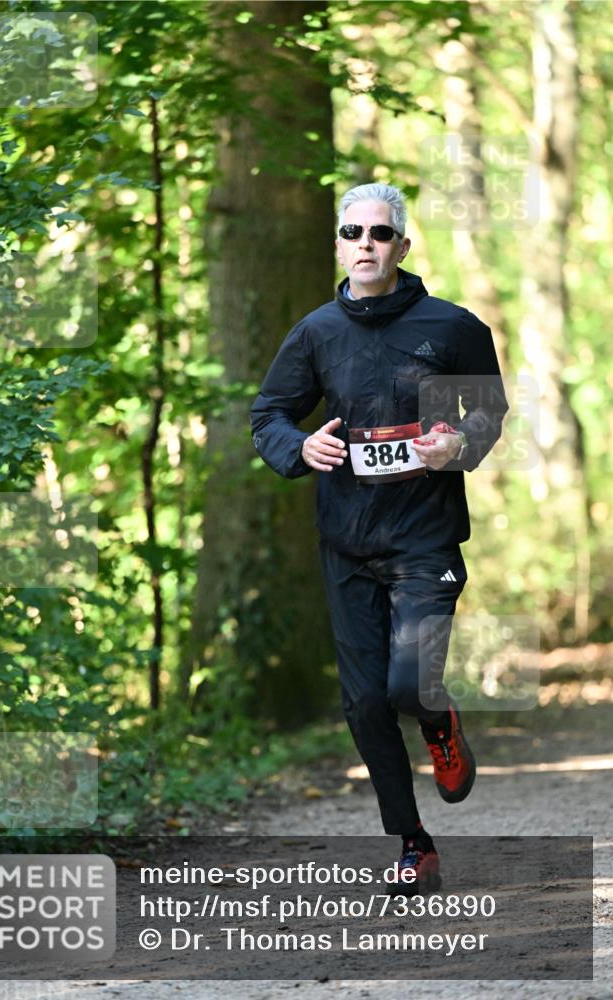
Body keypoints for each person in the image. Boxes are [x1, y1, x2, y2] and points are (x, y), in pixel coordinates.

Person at [249, 182, 508, 893]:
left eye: (380, 233)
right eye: (352, 232)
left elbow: (486, 412)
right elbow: (270, 411)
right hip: (346, 543)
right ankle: (412, 841)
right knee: (363, 703)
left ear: (401, 245)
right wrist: (298, 449)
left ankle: (437, 716)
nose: (365, 243)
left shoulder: (450, 326)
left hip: (423, 539)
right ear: (338, 243)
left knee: (405, 681)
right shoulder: (314, 333)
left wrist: (456, 441)